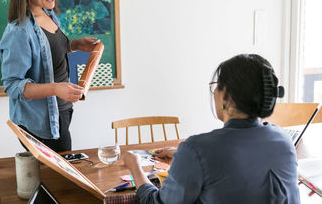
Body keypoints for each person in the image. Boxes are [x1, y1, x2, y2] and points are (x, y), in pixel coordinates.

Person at [123, 54, 300, 203]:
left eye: (216, 86)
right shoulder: (284, 141)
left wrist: (135, 167)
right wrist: (183, 157)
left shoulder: (197, 149)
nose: (214, 92)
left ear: (226, 96)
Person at [0, 0, 99, 152]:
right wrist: (55, 88)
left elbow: (47, 56)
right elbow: (13, 85)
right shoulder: (19, 31)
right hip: (40, 124)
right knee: (63, 180)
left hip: (61, 112)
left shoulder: (49, 13)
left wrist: (75, 45)